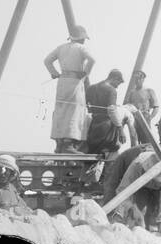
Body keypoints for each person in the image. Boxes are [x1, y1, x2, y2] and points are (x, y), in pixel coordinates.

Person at [110, 144, 161, 238]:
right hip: (143, 186)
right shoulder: (137, 165)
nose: (156, 180)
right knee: (137, 215)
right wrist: (132, 207)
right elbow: (122, 191)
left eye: (158, 179)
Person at [44, 25, 94, 153]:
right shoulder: (81, 48)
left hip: (62, 81)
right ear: (82, 38)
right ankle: (68, 144)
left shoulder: (61, 48)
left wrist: (54, 73)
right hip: (75, 81)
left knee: (61, 110)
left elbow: (47, 61)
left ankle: (59, 144)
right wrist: (85, 73)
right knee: (74, 111)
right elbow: (92, 60)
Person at [85, 68, 127, 156]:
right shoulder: (111, 90)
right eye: (118, 83)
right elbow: (112, 110)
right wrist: (121, 129)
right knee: (111, 153)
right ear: (115, 78)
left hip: (93, 126)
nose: (117, 86)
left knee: (92, 153)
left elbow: (87, 106)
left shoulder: (91, 88)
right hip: (106, 127)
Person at [123, 69, 160, 143]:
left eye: (139, 78)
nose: (137, 80)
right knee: (135, 138)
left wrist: (150, 117)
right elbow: (128, 106)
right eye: (136, 79)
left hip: (145, 116)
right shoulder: (132, 92)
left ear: (143, 79)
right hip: (134, 117)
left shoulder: (149, 90)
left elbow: (156, 107)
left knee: (146, 139)